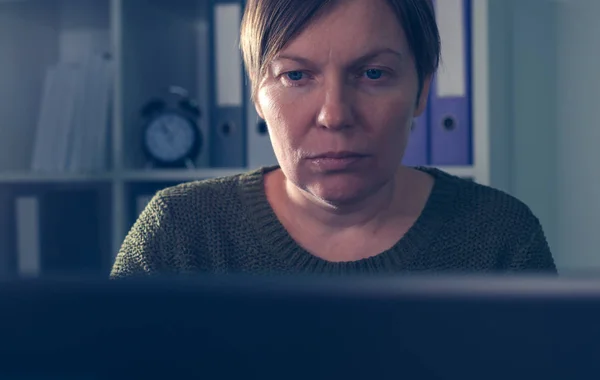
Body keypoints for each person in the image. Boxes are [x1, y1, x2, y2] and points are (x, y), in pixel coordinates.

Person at [110, 0, 557, 279]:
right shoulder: (179, 234)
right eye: (297, 75)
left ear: (422, 89)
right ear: (256, 95)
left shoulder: (500, 237)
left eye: (373, 73)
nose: (334, 115)